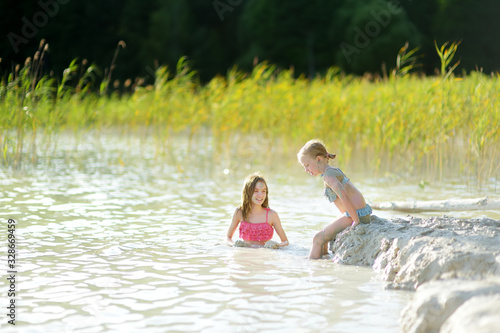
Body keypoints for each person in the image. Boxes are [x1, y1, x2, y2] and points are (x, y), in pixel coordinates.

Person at [297, 139, 371, 259]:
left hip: (355, 214)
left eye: (307, 165)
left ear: (319, 159)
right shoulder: (332, 171)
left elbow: (344, 196)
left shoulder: (328, 176)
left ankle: (312, 266)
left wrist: (355, 220)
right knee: (324, 239)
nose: (306, 170)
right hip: (357, 212)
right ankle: (324, 261)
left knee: (317, 238)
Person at [226, 173, 289, 249]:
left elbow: (285, 242)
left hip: (264, 256)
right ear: (248, 192)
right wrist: (234, 245)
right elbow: (228, 238)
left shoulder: (272, 215)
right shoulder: (239, 212)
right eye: (256, 191)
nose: (260, 195)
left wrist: (276, 245)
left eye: (263, 191)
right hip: (244, 255)